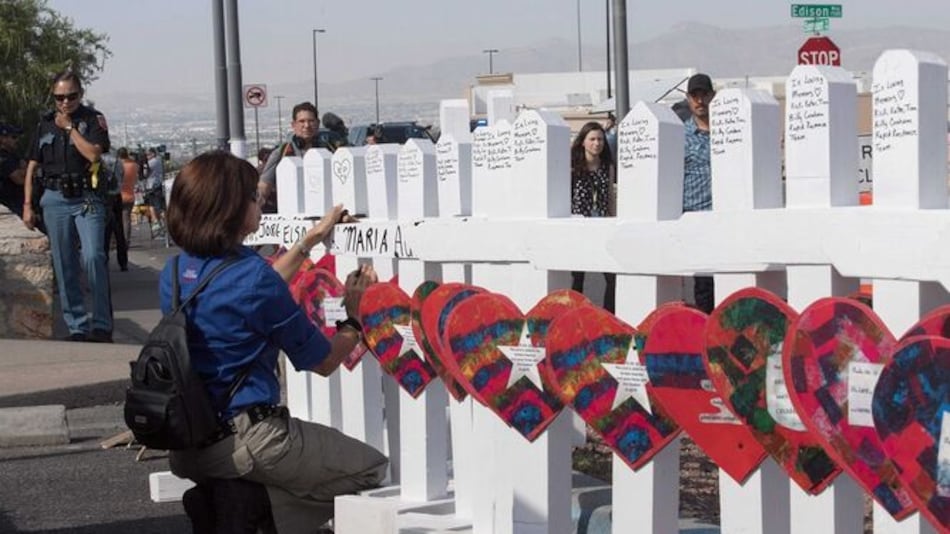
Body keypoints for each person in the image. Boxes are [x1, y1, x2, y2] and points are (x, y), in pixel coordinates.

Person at [162, 151, 387, 533]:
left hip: (189, 442)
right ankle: (246, 507)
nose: (260, 203)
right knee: (370, 468)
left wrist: (309, 240)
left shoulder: (175, 272)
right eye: (253, 196)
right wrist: (353, 318)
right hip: (250, 440)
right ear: (230, 209)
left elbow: (246, 292)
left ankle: (229, 501)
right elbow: (324, 362)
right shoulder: (253, 278)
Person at [22, 70, 113, 342]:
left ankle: (102, 324)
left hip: (87, 197)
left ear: (80, 94)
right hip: (54, 198)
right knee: (64, 264)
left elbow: (94, 154)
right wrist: (27, 204)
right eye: (59, 97)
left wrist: (70, 128)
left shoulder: (92, 120)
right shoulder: (44, 124)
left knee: (93, 257)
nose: (65, 102)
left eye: (71, 96)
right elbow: (32, 166)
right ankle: (77, 326)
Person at [570, 121, 617, 313]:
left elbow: (610, 196)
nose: (597, 143)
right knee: (577, 277)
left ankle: (608, 314)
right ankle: (574, 315)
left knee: (612, 276)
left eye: (600, 139)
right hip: (579, 227)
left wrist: (614, 221)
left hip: (602, 226)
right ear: (583, 141)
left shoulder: (607, 166)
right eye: (592, 139)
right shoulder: (572, 166)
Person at [683, 73, 716, 313]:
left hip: (725, 216)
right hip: (696, 217)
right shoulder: (680, 135)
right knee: (704, 284)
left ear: (712, 96)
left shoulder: (728, 130)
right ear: (688, 99)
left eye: (704, 95)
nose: (700, 101)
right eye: (695, 96)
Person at [258, 102, 322, 213]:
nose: (307, 125)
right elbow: (264, 188)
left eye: (311, 121)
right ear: (293, 125)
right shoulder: (281, 153)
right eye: (302, 121)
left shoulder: (329, 150)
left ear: (318, 123)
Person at [0, 122, 43, 233]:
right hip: (12, 205)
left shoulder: (12, 154)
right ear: (3, 139)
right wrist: (31, 171)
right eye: (13, 137)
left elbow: (24, 167)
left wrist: (27, 170)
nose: (17, 140)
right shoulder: (3, 157)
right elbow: (19, 179)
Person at [117, 147, 140, 248]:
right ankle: (126, 241)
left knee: (117, 220)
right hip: (130, 195)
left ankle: (118, 240)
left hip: (118, 195)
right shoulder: (134, 166)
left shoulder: (118, 165)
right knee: (126, 219)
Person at [143, 147, 165, 236]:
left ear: (153, 154)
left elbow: (144, 173)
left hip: (151, 186)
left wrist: (143, 164)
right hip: (158, 184)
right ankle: (161, 224)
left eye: (148, 154)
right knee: (159, 206)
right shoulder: (159, 160)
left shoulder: (152, 162)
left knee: (152, 205)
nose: (147, 156)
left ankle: (156, 222)